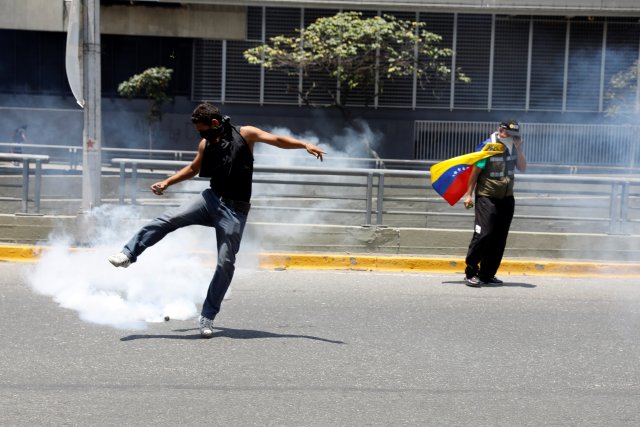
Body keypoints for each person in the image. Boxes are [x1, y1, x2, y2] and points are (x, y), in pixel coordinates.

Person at [107, 103, 326, 337]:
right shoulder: (205, 144)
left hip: (234, 210)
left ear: (215, 124)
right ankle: (129, 254)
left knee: (225, 263)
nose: (201, 136)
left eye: (203, 130)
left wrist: (304, 144)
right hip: (210, 200)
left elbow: (276, 140)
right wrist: (167, 182)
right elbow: (193, 168)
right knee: (168, 219)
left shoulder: (246, 134)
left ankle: (207, 316)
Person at [462, 119, 527, 287]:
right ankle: (471, 272)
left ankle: (487, 274)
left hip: (507, 198)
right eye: (509, 133)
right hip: (487, 196)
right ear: (501, 130)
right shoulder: (488, 146)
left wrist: (519, 148)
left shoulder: (514, 145)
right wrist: (468, 195)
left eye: (515, 135)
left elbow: (523, 167)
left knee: (499, 237)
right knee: (484, 234)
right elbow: (475, 172)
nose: (512, 137)